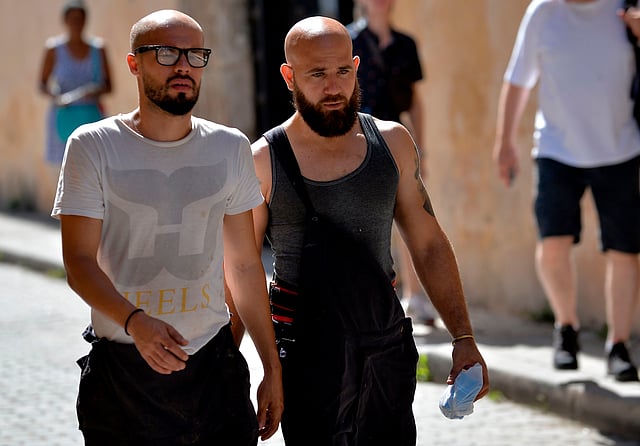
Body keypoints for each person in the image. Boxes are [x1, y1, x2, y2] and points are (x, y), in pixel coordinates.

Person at [246, 16, 488, 445]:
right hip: (305, 355)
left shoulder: (392, 143)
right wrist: (262, 369)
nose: (333, 86)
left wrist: (463, 338)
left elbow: (428, 244)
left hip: (385, 347)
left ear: (356, 66)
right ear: (289, 76)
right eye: (317, 74)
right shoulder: (264, 160)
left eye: (343, 71)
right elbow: (240, 271)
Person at [51, 9, 283, 445]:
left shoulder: (230, 146)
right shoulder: (92, 146)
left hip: (214, 371)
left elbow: (246, 267)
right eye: (167, 52)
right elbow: (79, 264)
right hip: (122, 377)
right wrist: (135, 322)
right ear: (134, 63)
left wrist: (272, 366)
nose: (183, 66)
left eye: (195, 55)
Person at [493, 0, 640, 382]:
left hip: (621, 148)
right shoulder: (543, 12)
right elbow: (517, 79)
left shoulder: (626, 7)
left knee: (624, 250)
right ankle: (566, 327)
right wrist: (504, 142)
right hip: (557, 150)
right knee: (553, 244)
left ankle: (618, 345)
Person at [347, 0, 436, 325]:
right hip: (358, 138)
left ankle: (416, 297)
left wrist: (421, 150)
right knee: (365, 220)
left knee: (411, 216)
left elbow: (415, 101)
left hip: (398, 139)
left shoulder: (405, 44)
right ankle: (369, 298)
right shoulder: (348, 40)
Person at [38, 0, 112, 166]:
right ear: (65, 21)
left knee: (93, 165)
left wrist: (94, 91)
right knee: (66, 167)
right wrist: (56, 95)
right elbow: (42, 84)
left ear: (86, 21)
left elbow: (109, 86)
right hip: (63, 117)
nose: (76, 24)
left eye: (80, 19)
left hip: (91, 117)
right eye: (72, 19)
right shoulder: (53, 49)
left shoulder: (98, 49)